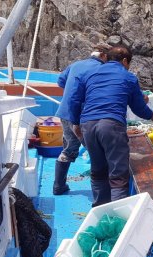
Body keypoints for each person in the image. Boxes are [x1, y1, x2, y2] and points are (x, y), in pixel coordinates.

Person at [68, 44, 153, 206]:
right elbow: (138, 107)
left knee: (97, 170)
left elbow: (74, 100)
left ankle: (99, 208)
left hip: (88, 125)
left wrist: (76, 123)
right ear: (125, 61)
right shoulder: (129, 77)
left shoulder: (88, 74)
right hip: (111, 125)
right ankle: (117, 215)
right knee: (118, 174)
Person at [53, 44, 110, 195]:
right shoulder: (101, 69)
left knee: (69, 149)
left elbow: (60, 82)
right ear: (103, 55)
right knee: (96, 150)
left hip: (66, 112)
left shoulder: (76, 65)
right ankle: (102, 192)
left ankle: (58, 186)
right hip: (84, 114)